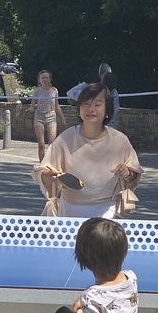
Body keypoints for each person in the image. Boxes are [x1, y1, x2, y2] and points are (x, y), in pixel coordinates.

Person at [33, 82, 141, 219]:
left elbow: (133, 177)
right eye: (85, 104)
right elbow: (43, 172)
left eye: (97, 104)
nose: (90, 109)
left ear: (107, 111)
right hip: (70, 214)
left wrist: (127, 173)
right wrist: (47, 175)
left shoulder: (120, 141)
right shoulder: (64, 140)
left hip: (107, 214)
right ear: (78, 109)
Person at [29, 69, 67, 161]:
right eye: (43, 78)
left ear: (50, 79)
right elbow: (32, 105)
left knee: (52, 143)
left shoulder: (54, 91)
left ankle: (50, 162)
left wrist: (62, 118)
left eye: (46, 78)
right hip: (39, 116)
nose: (44, 80)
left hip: (51, 116)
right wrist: (31, 108)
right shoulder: (37, 91)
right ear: (39, 80)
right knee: (41, 144)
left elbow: (57, 105)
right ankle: (42, 164)